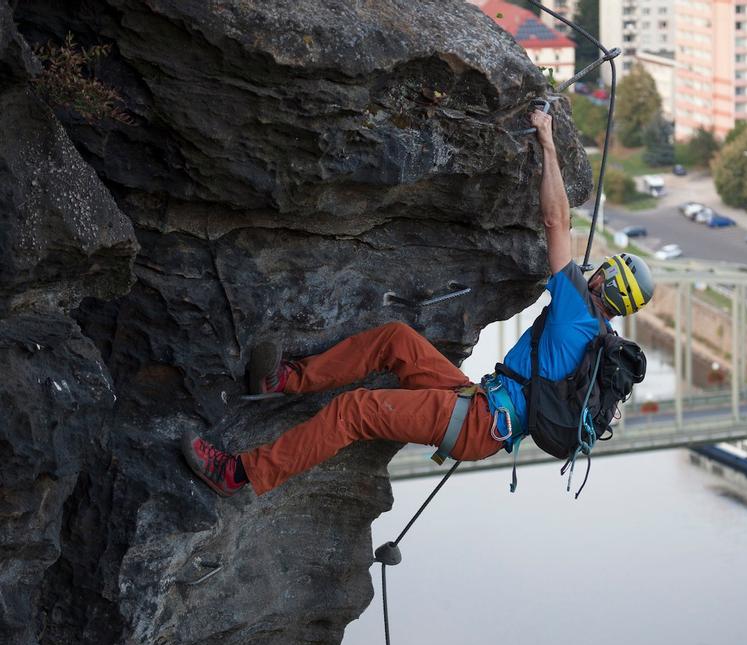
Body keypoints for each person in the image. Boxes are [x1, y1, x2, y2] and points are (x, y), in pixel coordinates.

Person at [182, 107, 655, 497]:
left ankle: (238, 473)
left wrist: (547, 143)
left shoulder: (575, 309)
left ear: (605, 279)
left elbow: (556, 221)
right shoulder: (601, 340)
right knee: (396, 341)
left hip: (478, 421)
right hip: (481, 406)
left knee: (353, 411)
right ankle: (283, 380)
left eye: (603, 270)